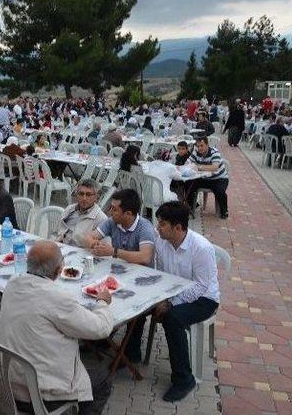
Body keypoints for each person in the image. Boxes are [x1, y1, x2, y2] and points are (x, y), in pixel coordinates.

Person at [0, 241, 114, 415]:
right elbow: (101, 328)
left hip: (5, 380)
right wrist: (103, 302)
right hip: (37, 394)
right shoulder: (57, 298)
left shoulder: (13, 282)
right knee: (102, 378)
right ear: (59, 269)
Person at [150, 201, 219, 401]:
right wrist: (159, 299)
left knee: (173, 319)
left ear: (178, 227)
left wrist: (170, 303)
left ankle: (184, 379)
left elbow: (201, 286)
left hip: (204, 298)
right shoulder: (162, 242)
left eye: (162, 224)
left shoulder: (201, 248)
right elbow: (162, 276)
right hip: (175, 293)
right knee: (141, 305)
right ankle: (131, 353)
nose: (158, 228)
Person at [85, 188, 156, 267]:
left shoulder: (145, 227)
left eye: (114, 209)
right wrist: (94, 244)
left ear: (128, 214)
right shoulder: (112, 221)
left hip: (141, 273)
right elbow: (89, 237)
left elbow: (145, 257)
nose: (110, 212)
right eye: (111, 208)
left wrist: (113, 252)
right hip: (119, 268)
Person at [186, 136, 229, 219]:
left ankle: (224, 211)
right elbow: (188, 163)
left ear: (207, 145)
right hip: (204, 178)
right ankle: (191, 207)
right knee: (188, 184)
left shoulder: (214, 152)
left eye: (202, 145)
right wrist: (188, 164)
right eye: (198, 146)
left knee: (220, 191)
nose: (199, 148)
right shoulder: (196, 152)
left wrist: (198, 167)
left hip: (219, 178)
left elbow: (214, 167)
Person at [57, 179, 107, 247]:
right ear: (76, 195)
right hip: (61, 247)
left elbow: (101, 248)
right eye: (81, 194)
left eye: (88, 195)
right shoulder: (70, 209)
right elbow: (58, 231)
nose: (84, 198)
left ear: (96, 197)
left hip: (81, 254)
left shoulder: (101, 219)